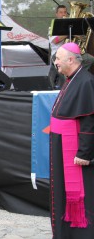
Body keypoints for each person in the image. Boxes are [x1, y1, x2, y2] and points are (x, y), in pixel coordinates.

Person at [50, 42, 94, 238]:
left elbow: (89, 120)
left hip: (75, 151)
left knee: (80, 197)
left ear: (70, 59)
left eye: (58, 58)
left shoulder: (85, 81)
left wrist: (84, 153)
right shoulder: (71, 79)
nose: (55, 62)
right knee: (61, 193)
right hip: (63, 147)